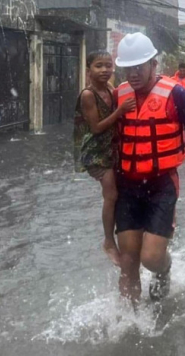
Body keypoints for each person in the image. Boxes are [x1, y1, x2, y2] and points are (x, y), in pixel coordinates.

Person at [114, 33, 185, 305]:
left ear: (153, 65)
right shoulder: (119, 94)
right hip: (128, 186)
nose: (133, 74)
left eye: (139, 67)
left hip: (161, 184)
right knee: (128, 259)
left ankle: (165, 269)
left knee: (151, 258)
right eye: (128, 68)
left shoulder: (176, 93)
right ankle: (129, 320)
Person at [73, 51, 136, 266]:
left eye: (108, 66)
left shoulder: (111, 88)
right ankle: (108, 241)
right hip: (95, 151)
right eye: (98, 66)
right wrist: (120, 111)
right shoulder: (88, 95)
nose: (104, 70)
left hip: (111, 148)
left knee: (120, 193)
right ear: (88, 69)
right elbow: (96, 127)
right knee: (111, 194)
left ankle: (125, 232)